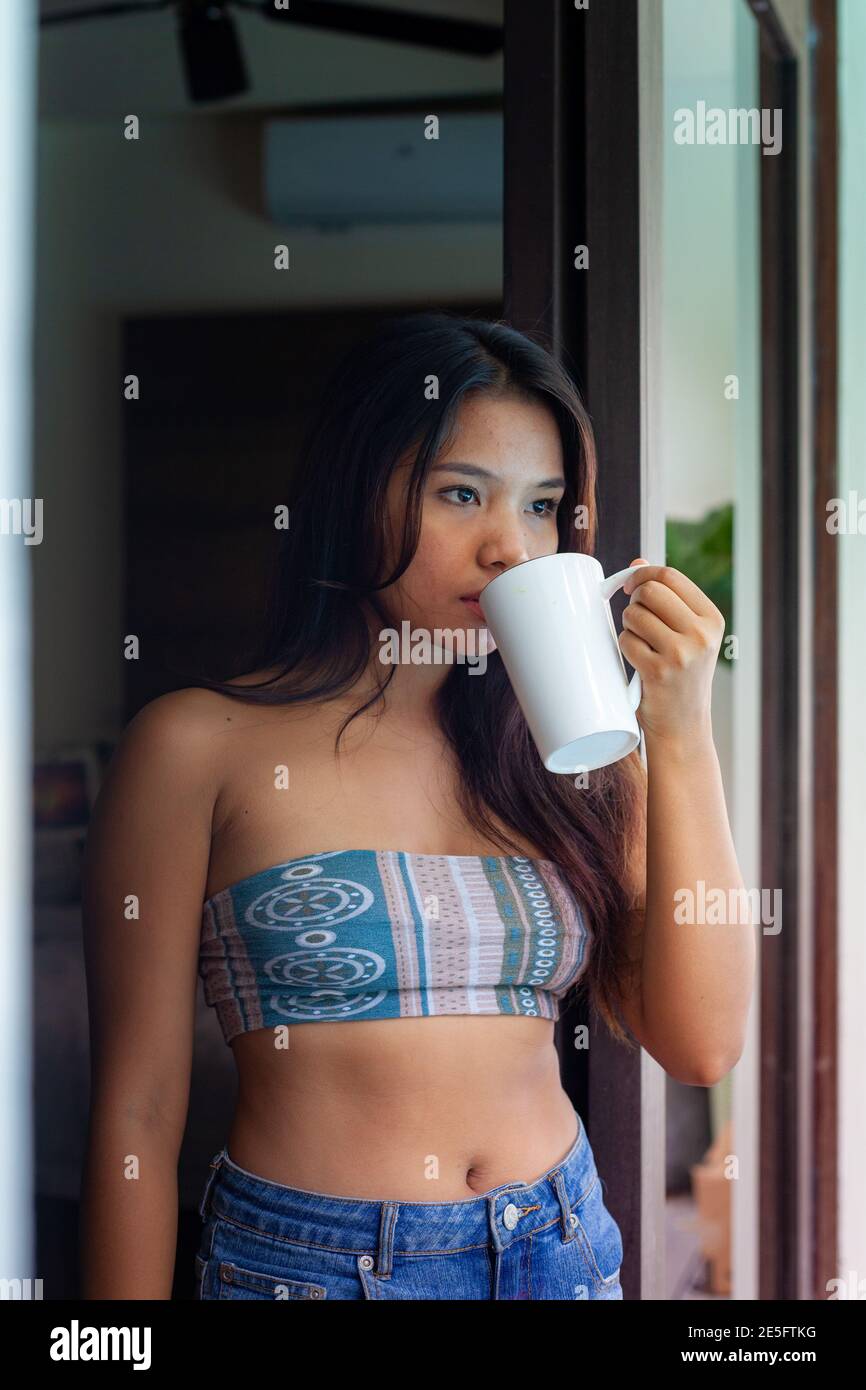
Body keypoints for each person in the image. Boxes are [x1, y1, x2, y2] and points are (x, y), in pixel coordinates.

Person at [80, 311, 748, 1300]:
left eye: (540, 506)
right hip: (313, 1268)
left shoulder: (570, 747)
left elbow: (701, 1043)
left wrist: (679, 731)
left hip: (560, 1250)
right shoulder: (195, 746)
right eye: (460, 494)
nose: (507, 549)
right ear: (355, 491)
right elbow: (136, 1113)